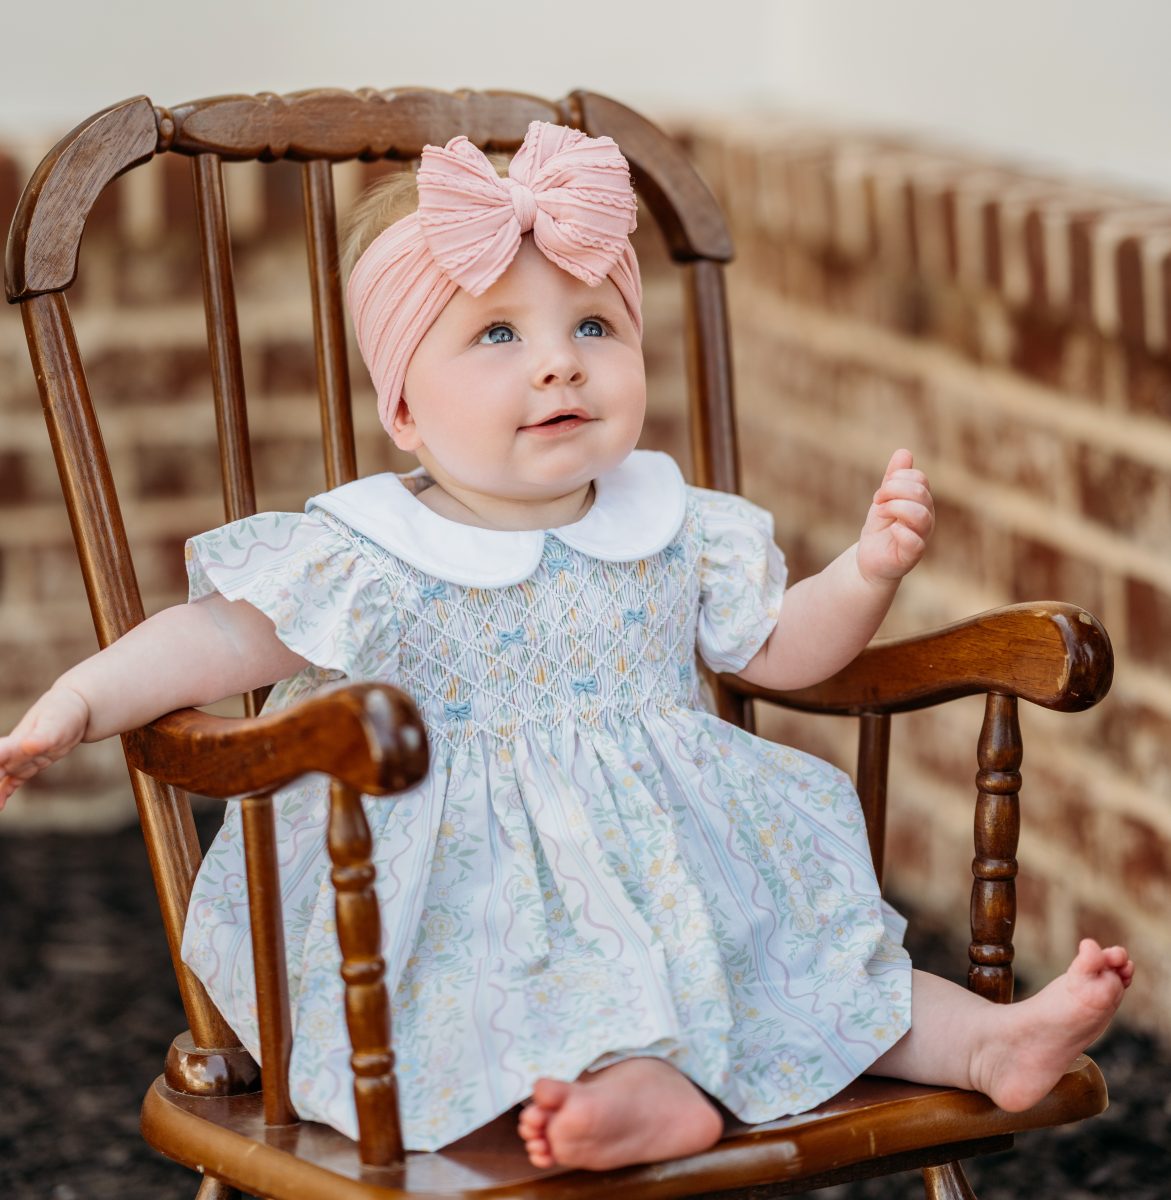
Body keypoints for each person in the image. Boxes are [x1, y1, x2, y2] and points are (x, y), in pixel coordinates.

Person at [0, 122, 1132, 1173]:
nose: (559, 363)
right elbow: (209, 639)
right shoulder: (365, 552)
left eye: (593, 324)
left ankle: (989, 1043)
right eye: (497, 334)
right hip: (467, 895)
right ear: (404, 410)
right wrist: (77, 702)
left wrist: (865, 574)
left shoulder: (669, 520)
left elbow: (783, 653)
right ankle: (639, 1094)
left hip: (685, 865)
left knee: (820, 955)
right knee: (541, 992)